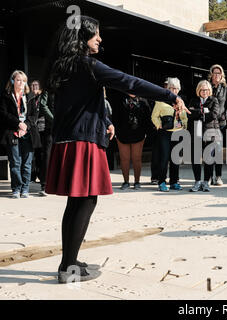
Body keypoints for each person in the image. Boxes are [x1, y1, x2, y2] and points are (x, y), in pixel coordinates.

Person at [46, 16, 187, 283]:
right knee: (86, 201)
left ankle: (70, 260)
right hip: (83, 143)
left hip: (68, 140)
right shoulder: (89, 66)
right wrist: (171, 95)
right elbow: (130, 82)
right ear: (82, 38)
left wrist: (104, 121)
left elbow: (79, 105)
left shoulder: (61, 67)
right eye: (95, 34)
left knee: (75, 203)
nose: (100, 39)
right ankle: (67, 267)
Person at [0, 70, 41, 198]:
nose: (21, 83)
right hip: (13, 133)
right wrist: (18, 124)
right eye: (18, 80)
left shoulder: (29, 97)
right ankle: (16, 189)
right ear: (12, 81)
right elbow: (3, 114)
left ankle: (25, 189)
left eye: (23, 81)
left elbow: (34, 115)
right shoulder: (6, 96)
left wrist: (26, 126)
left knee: (27, 163)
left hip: (28, 134)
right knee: (15, 162)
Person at [152, 77, 188, 192]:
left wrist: (184, 125)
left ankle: (174, 182)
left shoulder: (180, 101)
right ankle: (161, 181)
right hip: (165, 133)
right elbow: (154, 116)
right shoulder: (160, 100)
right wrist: (159, 125)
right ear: (168, 88)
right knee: (164, 158)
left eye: (177, 88)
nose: (174, 90)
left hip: (177, 133)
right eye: (172, 88)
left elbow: (184, 117)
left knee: (175, 159)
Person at [113, 93, 152, 190]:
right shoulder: (120, 99)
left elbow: (147, 118)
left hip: (138, 133)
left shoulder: (143, 101)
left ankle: (137, 181)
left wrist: (146, 132)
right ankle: (125, 182)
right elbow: (115, 116)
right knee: (124, 159)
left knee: (136, 158)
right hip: (122, 133)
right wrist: (116, 132)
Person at [187, 80, 220, 192]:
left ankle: (206, 182)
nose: (204, 91)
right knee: (195, 158)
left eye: (206, 89)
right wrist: (203, 112)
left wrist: (198, 113)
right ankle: (197, 181)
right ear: (198, 90)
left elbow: (214, 114)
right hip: (196, 133)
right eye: (202, 89)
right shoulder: (193, 100)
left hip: (209, 133)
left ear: (209, 90)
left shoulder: (214, 100)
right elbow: (189, 114)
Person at [28, 80, 54, 196]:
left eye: (36, 85)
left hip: (52, 127)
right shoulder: (32, 99)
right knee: (43, 154)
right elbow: (41, 108)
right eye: (32, 85)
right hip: (41, 129)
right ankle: (44, 183)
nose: (34, 87)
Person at [208, 64, 227, 186]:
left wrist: (225, 118)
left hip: (220, 124)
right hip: (208, 124)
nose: (217, 75)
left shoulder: (226, 89)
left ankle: (218, 176)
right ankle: (208, 176)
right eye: (214, 72)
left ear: (222, 75)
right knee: (208, 150)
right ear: (211, 74)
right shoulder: (207, 87)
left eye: (219, 73)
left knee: (217, 150)